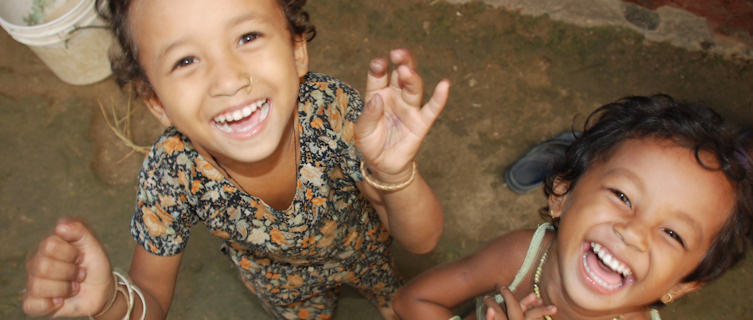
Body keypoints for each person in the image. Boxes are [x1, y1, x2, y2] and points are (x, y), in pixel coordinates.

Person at [22, 0, 451, 319]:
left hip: (363, 249)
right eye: (185, 60)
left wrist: (396, 172)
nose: (228, 80)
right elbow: (150, 297)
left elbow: (422, 241)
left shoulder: (331, 110)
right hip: (283, 287)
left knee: (396, 299)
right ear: (156, 101)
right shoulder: (172, 173)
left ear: (297, 49)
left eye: (247, 37)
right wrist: (112, 301)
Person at [392, 94, 753, 320]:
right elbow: (413, 300)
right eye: (623, 196)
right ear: (562, 192)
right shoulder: (523, 256)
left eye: (673, 233)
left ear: (684, 284)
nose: (633, 233)